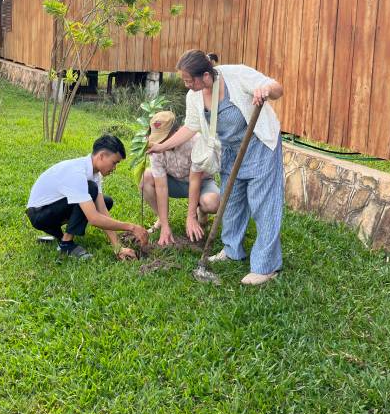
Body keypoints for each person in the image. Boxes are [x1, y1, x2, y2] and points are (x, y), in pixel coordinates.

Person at [149, 49, 284, 285]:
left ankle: (266, 266)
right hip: (231, 149)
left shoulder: (236, 75)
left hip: (259, 143)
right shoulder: (195, 96)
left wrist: (266, 89)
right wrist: (162, 147)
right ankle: (232, 250)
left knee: (262, 202)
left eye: (189, 80)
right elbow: (190, 128)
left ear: (206, 76)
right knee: (232, 201)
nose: (186, 85)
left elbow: (277, 88)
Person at [26, 135, 149, 260]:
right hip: (39, 215)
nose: (114, 168)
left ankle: (59, 236)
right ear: (101, 156)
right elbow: (94, 218)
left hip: (52, 209)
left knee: (106, 202)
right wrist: (132, 227)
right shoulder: (78, 172)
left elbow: (102, 210)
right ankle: (66, 244)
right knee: (90, 190)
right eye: (114, 163)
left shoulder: (94, 173)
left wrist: (117, 247)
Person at [140, 110, 220, 246]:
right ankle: (161, 219)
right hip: (175, 183)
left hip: (201, 182)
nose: (161, 142)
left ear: (177, 131)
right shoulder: (156, 148)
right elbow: (161, 186)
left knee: (212, 203)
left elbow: (195, 179)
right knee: (146, 177)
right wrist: (165, 226)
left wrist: (191, 217)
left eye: (165, 137)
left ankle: (201, 211)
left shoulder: (195, 142)